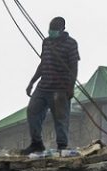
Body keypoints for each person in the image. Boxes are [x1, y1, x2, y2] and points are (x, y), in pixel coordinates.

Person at [22, 17, 79, 155]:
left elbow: (74, 66)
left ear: (62, 29)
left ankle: (62, 146)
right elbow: (43, 64)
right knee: (32, 111)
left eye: (54, 29)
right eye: (50, 28)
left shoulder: (71, 44)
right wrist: (32, 81)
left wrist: (70, 87)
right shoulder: (46, 42)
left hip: (60, 88)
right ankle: (37, 143)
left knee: (60, 118)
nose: (51, 32)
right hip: (43, 87)